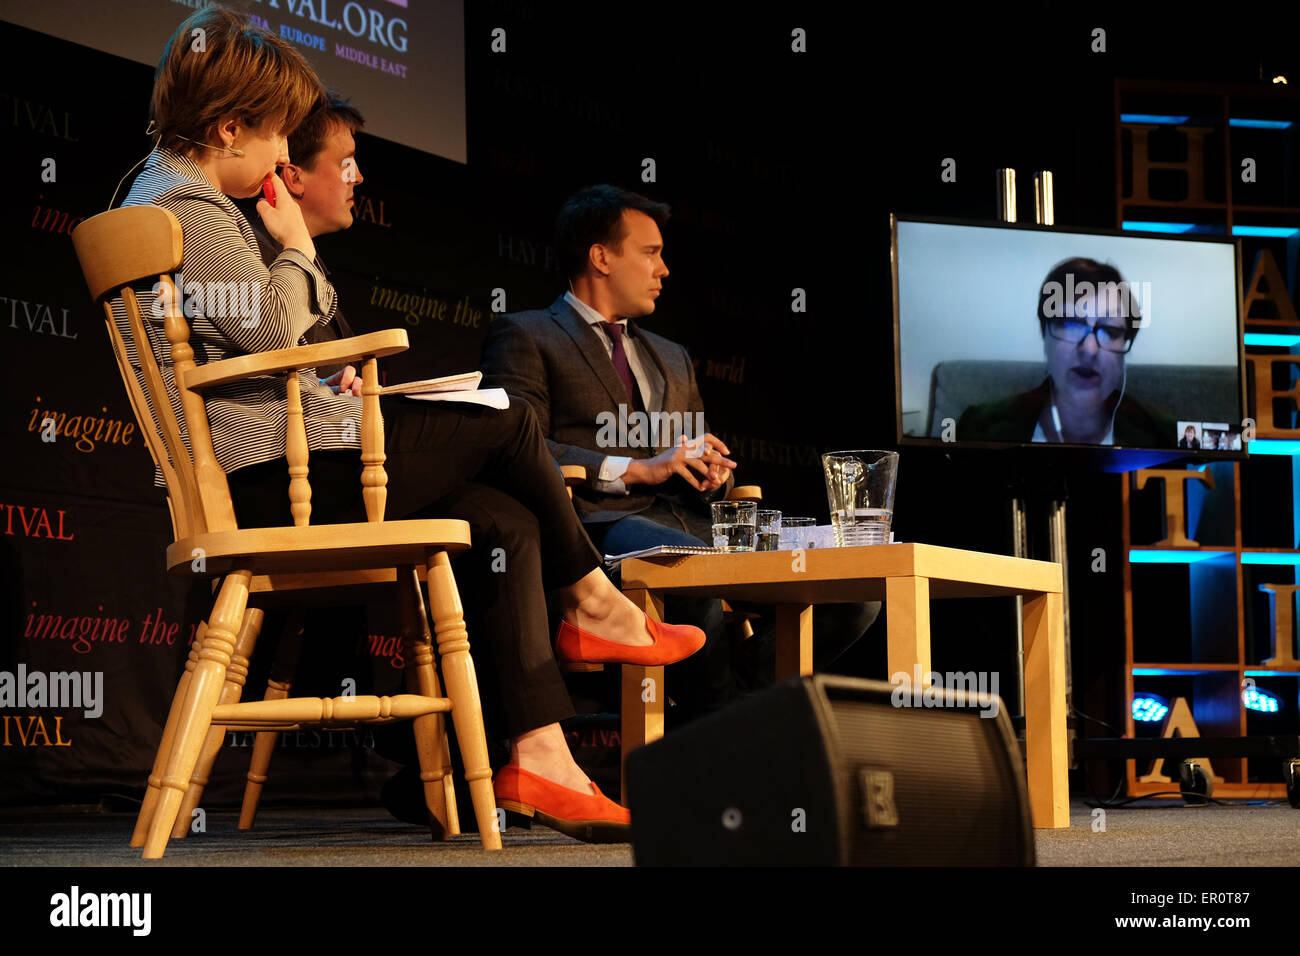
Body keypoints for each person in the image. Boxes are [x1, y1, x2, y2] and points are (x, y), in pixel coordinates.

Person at [114, 8, 704, 840]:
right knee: (505, 426)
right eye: (279, 136)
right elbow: (280, 336)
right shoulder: (193, 210)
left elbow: (268, 345)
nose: (287, 157)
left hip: (285, 466)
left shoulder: (164, 198)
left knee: (501, 521)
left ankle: (542, 756)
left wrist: (326, 358)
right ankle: (596, 600)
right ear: (228, 125)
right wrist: (292, 241)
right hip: (268, 485)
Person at [481, 185, 879, 721]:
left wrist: (708, 466)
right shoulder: (526, 333)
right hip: (597, 526)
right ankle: (720, 736)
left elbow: (691, 444)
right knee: (694, 571)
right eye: (650, 253)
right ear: (600, 257)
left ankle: (723, 718)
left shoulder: (671, 356)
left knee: (855, 585)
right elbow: (518, 443)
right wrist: (641, 469)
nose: (664, 269)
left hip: (692, 519)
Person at [957, 257, 1175, 446]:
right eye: (1071, 324)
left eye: (1109, 331)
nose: (1089, 350)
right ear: (1045, 334)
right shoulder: (976, 427)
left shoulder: (1168, 436)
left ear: (1125, 347)